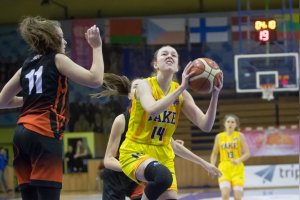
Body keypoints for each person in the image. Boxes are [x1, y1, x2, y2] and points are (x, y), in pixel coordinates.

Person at [0, 16, 104, 200]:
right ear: (52, 38)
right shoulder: (58, 59)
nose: (64, 41)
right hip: (43, 131)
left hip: (20, 134)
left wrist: (29, 99)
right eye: (62, 36)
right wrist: (96, 47)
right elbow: (95, 80)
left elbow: (2, 102)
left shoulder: (26, 65)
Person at [92, 73, 222, 200]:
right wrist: (134, 166)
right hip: (117, 176)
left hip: (141, 177)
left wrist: (204, 163)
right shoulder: (121, 120)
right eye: (137, 88)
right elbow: (108, 160)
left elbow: (174, 147)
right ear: (131, 95)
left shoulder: (155, 120)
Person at [210, 114, 251, 200]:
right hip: (224, 168)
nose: (230, 124)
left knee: (237, 197)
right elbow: (214, 153)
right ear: (224, 124)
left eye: (233, 122)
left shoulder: (240, 136)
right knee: (225, 195)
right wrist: (212, 165)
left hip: (237, 168)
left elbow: (247, 153)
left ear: (236, 125)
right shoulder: (219, 137)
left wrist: (238, 160)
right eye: (228, 122)